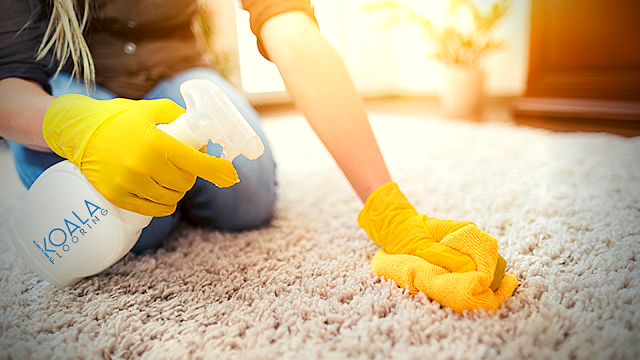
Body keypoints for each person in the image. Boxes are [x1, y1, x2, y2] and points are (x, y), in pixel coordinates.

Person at [0, 0, 515, 311]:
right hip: (69, 80)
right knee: (143, 224)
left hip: (174, 70)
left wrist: (386, 204)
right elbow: (8, 79)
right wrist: (79, 128)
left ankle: (163, 183)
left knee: (245, 198)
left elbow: (293, 31)